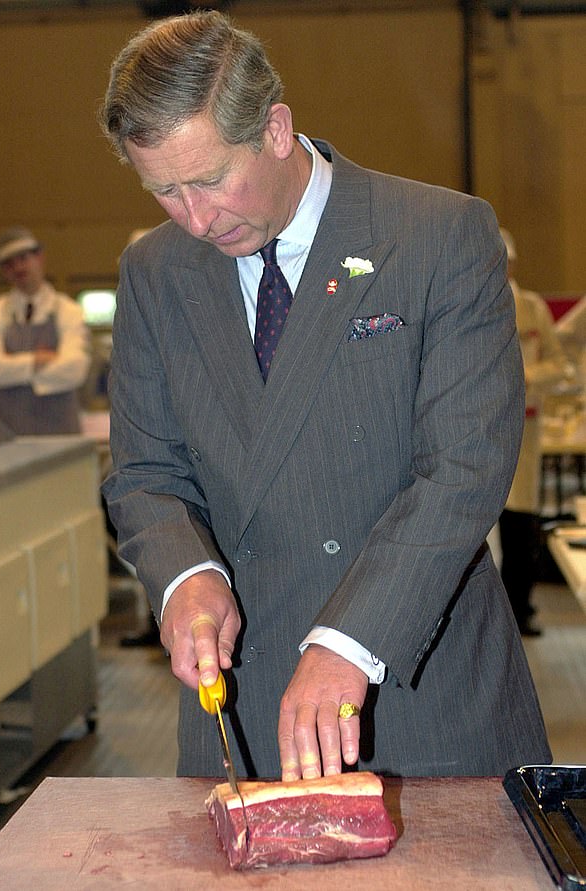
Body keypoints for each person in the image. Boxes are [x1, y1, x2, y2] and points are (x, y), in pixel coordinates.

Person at [100, 10, 551, 780]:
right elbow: (145, 473)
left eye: (210, 179)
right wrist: (184, 574)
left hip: (418, 687)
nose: (197, 219)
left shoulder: (438, 235)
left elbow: (465, 468)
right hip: (240, 705)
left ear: (276, 129)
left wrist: (349, 637)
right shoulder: (155, 272)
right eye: (164, 191)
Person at [497, 228, 571, 636]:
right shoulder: (470, 302)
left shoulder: (532, 309)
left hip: (526, 430)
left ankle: (519, 609)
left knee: (521, 525)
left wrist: (526, 377)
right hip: (483, 430)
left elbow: (560, 367)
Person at [0, 228, 91, 449]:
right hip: (2, 436)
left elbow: (75, 370)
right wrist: (38, 360)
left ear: (40, 258)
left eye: (24, 258)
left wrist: (12, 367)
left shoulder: (69, 310)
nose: (18, 268)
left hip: (59, 434)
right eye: (9, 264)